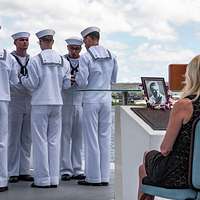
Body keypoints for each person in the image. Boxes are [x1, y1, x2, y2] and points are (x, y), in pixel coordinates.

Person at [138, 55, 200, 200]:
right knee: (143, 169)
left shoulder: (184, 105)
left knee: (147, 157)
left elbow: (165, 149)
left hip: (182, 178)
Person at [20, 29, 71, 188]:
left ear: (41, 42)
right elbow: (67, 84)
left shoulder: (35, 60)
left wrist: (22, 78)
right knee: (54, 141)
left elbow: (32, 84)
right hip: (57, 103)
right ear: (52, 42)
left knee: (40, 141)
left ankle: (42, 179)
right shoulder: (63, 61)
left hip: (40, 103)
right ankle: (54, 178)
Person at [76, 26, 118, 186]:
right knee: (105, 138)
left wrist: (76, 79)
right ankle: (104, 177)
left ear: (89, 39)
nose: (84, 44)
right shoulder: (111, 55)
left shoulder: (86, 57)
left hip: (91, 100)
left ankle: (93, 177)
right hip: (106, 100)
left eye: (84, 40)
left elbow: (83, 81)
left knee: (91, 138)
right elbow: (114, 79)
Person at [8, 31, 33, 183]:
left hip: (30, 100)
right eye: (21, 40)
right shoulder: (10, 58)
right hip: (14, 100)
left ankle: (24, 170)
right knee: (13, 137)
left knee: (27, 138)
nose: (24, 42)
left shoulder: (33, 60)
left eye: (26, 40)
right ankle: (12, 171)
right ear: (15, 42)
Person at [60, 37, 85, 181]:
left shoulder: (84, 61)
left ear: (80, 49)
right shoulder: (62, 61)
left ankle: (77, 168)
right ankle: (65, 169)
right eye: (72, 48)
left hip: (80, 102)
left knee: (78, 138)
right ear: (68, 48)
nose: (74, 51)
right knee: (65, 137)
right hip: (66, 102)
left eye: (77, 49)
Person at [0, 25, 18, 192]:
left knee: (3, 141)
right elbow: (14, 81)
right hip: (3, 99)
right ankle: (1, 181)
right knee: (2, 142)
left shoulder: (9, 57)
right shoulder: (7, 56)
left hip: (4, 100)